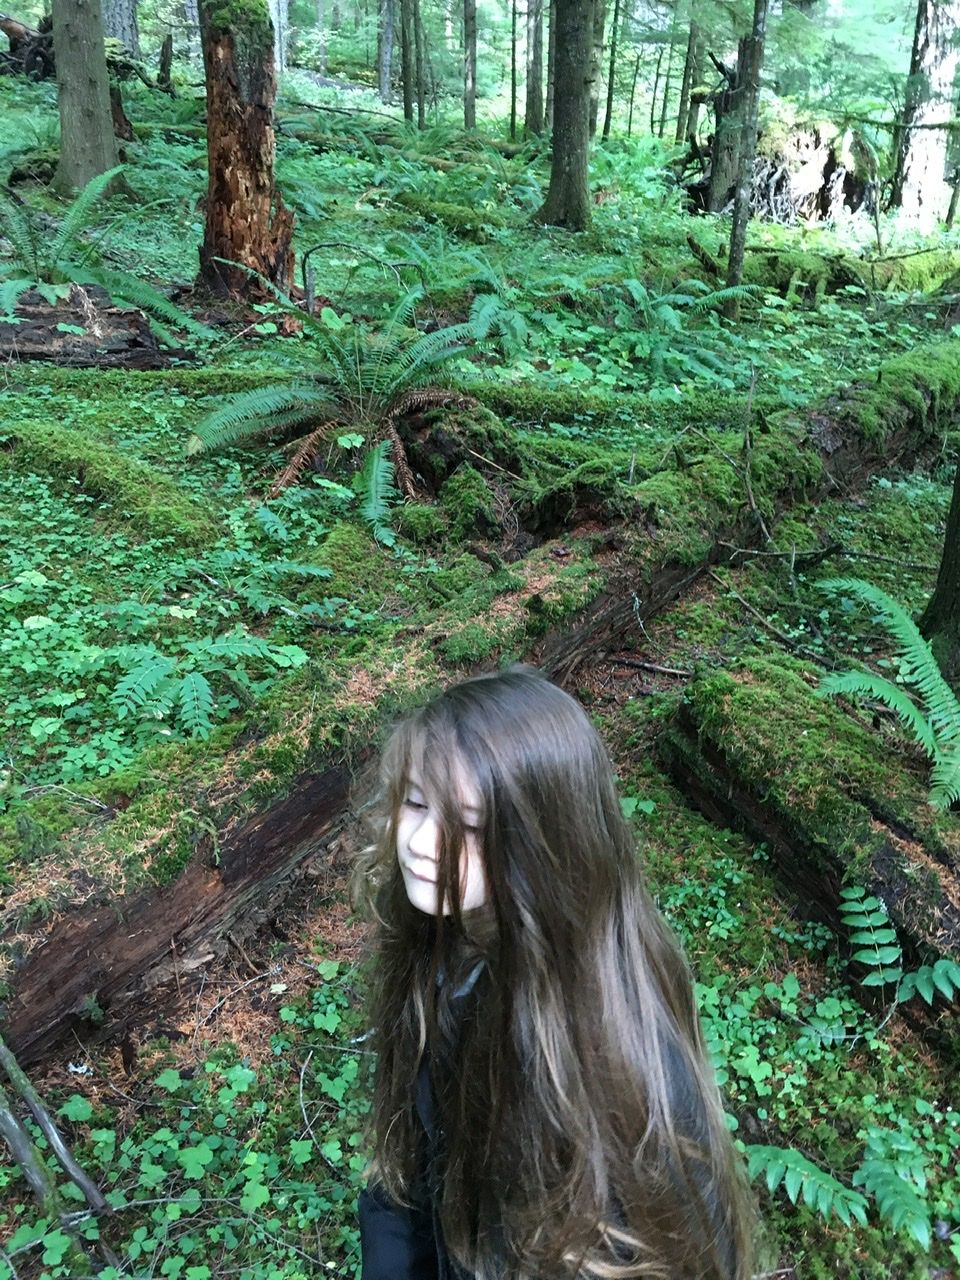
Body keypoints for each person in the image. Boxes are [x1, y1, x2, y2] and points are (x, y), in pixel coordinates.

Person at [353, 666, 757, 1280]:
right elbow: (409, 1174)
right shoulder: (438, 935)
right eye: (413, 802)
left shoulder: (606, 1064)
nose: (419, 843)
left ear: (546, 841)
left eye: (467, 824)